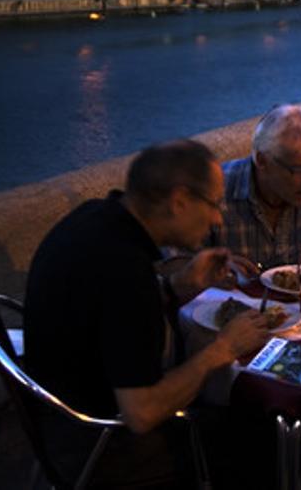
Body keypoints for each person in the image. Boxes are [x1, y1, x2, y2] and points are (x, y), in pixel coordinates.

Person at [24, 139, 271, 488]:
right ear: (179, 201)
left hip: (54, 419)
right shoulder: (126, 272)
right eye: (214, 204)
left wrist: (178, 286)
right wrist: (222, 351)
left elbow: (108, 318)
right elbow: (141, 413)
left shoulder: (93, 219)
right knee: (258, 431)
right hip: (100, 445)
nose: (218, 217)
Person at [211, 104, 301, 266]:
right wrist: (212, 269)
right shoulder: (216, 190)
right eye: (299, 170)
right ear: (262, 161)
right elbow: (181, 268)